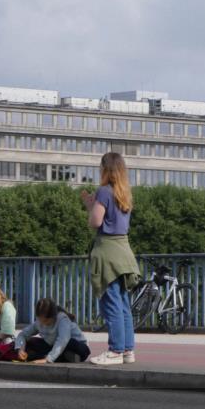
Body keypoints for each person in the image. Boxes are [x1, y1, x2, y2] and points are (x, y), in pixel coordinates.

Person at [84, 152, 139, 366]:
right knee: (124, 304)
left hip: (107, 251)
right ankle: (127, 350)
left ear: (105, 169)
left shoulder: (104, 191)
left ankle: (115, 350)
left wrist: (90, 206)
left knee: (112, 303)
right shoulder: (124, 193)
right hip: (124, 251)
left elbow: (96, 222)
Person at [14, 298, 90, 364]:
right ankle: (64, 356)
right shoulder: (39, 322)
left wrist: (48, 359)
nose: (43, 323)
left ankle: (58, 356)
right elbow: (23, 334)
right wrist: (20, 349)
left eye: (46, 321)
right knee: (32, 342)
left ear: (53, 316)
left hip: (77, 347)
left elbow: (62, 340)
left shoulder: (62, 319)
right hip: (53, 346)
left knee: (68, 342)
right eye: (40, 320)